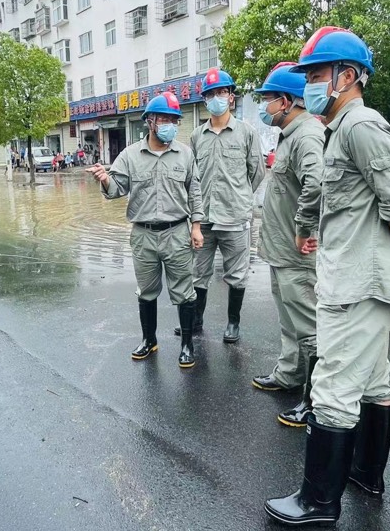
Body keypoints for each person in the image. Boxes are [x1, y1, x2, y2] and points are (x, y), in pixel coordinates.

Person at [264, 27, 390, 527]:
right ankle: (366, 473)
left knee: (333, 387)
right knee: (373, 379)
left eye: (316, 75)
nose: (309, 86)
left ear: (347, 77)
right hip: (359, 277)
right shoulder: (339, 129)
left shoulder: (360, 127)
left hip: (359, 283)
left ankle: (318, 502)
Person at [87, 92, 204, 368]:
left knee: (184, 292)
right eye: (164, 118)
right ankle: (149, 340)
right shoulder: (130, 156)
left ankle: (187, 345)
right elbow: (116, 190)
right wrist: (104, 180)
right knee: (147, 291)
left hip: (177, 232)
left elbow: (195, 191)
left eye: (174, 119)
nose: (170, 125)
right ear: (150, 121)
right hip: (143, 235)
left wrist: (196, 226)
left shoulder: (185, 154)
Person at [250, 63, 325, 428]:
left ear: (285, 101)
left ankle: (312, 400)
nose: (264, 107)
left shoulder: (307, 135)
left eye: (267, 100)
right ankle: (289, 374)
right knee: (289, 319)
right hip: (282, 250)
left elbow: (318, 183)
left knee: (308, 325)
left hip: (298, 251)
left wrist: (304, 228)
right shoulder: (289, 135)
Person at [174, 68, 264, 344]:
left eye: (221, 92)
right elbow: (192, 176)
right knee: (198, 273)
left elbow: (256, 172)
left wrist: (238, 196)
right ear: (204, 100)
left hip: (235, 217)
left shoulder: (246, 133)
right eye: (210, 94)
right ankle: (197, 321)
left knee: (236, 275)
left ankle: (233, 323)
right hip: (203, 220)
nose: (216, 98)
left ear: (231, 97)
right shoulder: (197, 137)